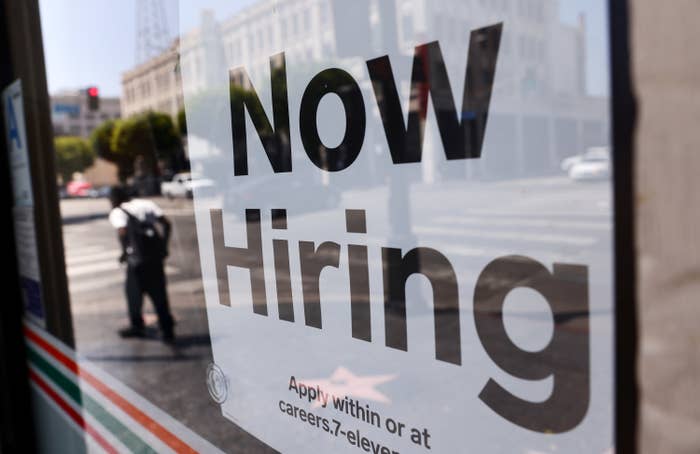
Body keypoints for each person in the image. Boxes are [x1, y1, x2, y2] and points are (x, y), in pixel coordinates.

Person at [108, 186, 175, 343]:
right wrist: (163, 247)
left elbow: (123, 232)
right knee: (159, 293)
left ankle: (137, 325)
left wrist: (125, 252)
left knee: (133, 293)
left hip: (137, 262)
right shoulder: (146, 204)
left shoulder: (118, 212)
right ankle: (167, 329)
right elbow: (167, 224)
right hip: (155, 258)